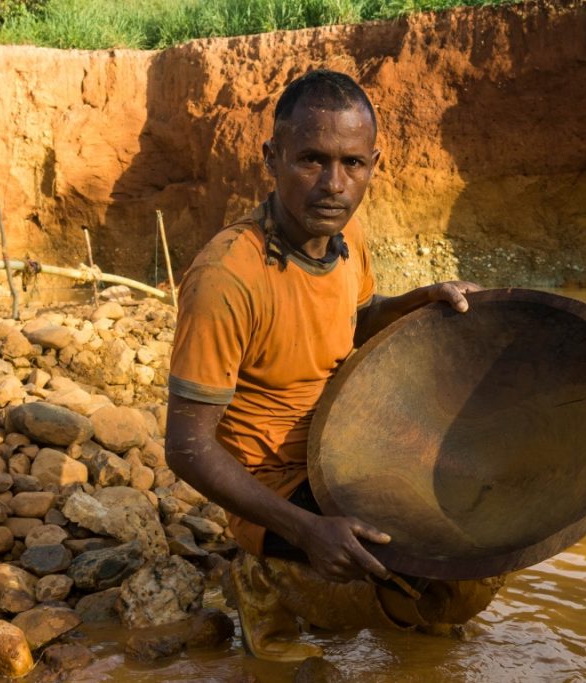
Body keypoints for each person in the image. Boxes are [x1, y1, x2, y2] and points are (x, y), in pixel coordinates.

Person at [165, 69, 502, 662]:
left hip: (343, 446)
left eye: (352, 164)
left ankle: (402, 605)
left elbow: (359, 315)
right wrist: (305, 532)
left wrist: (418, 302)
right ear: (272, 158)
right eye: (311, 160)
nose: (334, 184)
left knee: (482, 526)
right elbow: (186, 447)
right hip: (273, 481)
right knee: (411, 567)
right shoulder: (227, 276)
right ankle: (266, 583)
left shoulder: (349, 237)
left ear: (375, 163)